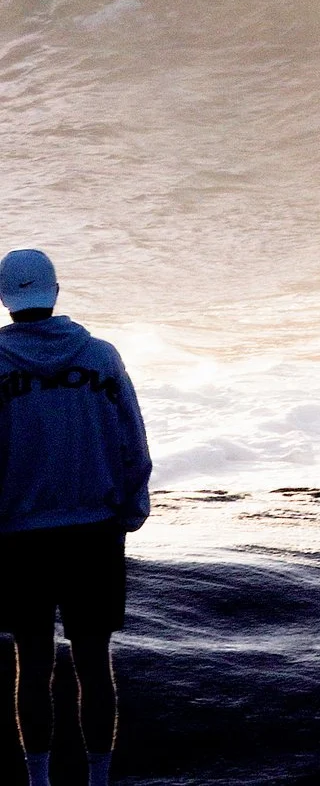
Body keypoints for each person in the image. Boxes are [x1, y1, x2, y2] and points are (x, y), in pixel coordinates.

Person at [0, 250, 152, 786]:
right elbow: (132, 440)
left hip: (18, 538)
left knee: (33, 664)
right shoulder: (102, 357)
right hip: (93, 533)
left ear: (4, 298)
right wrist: (133, 508)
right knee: (93, 663)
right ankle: (99, 780)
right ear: (56, 292)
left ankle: (39, 781)